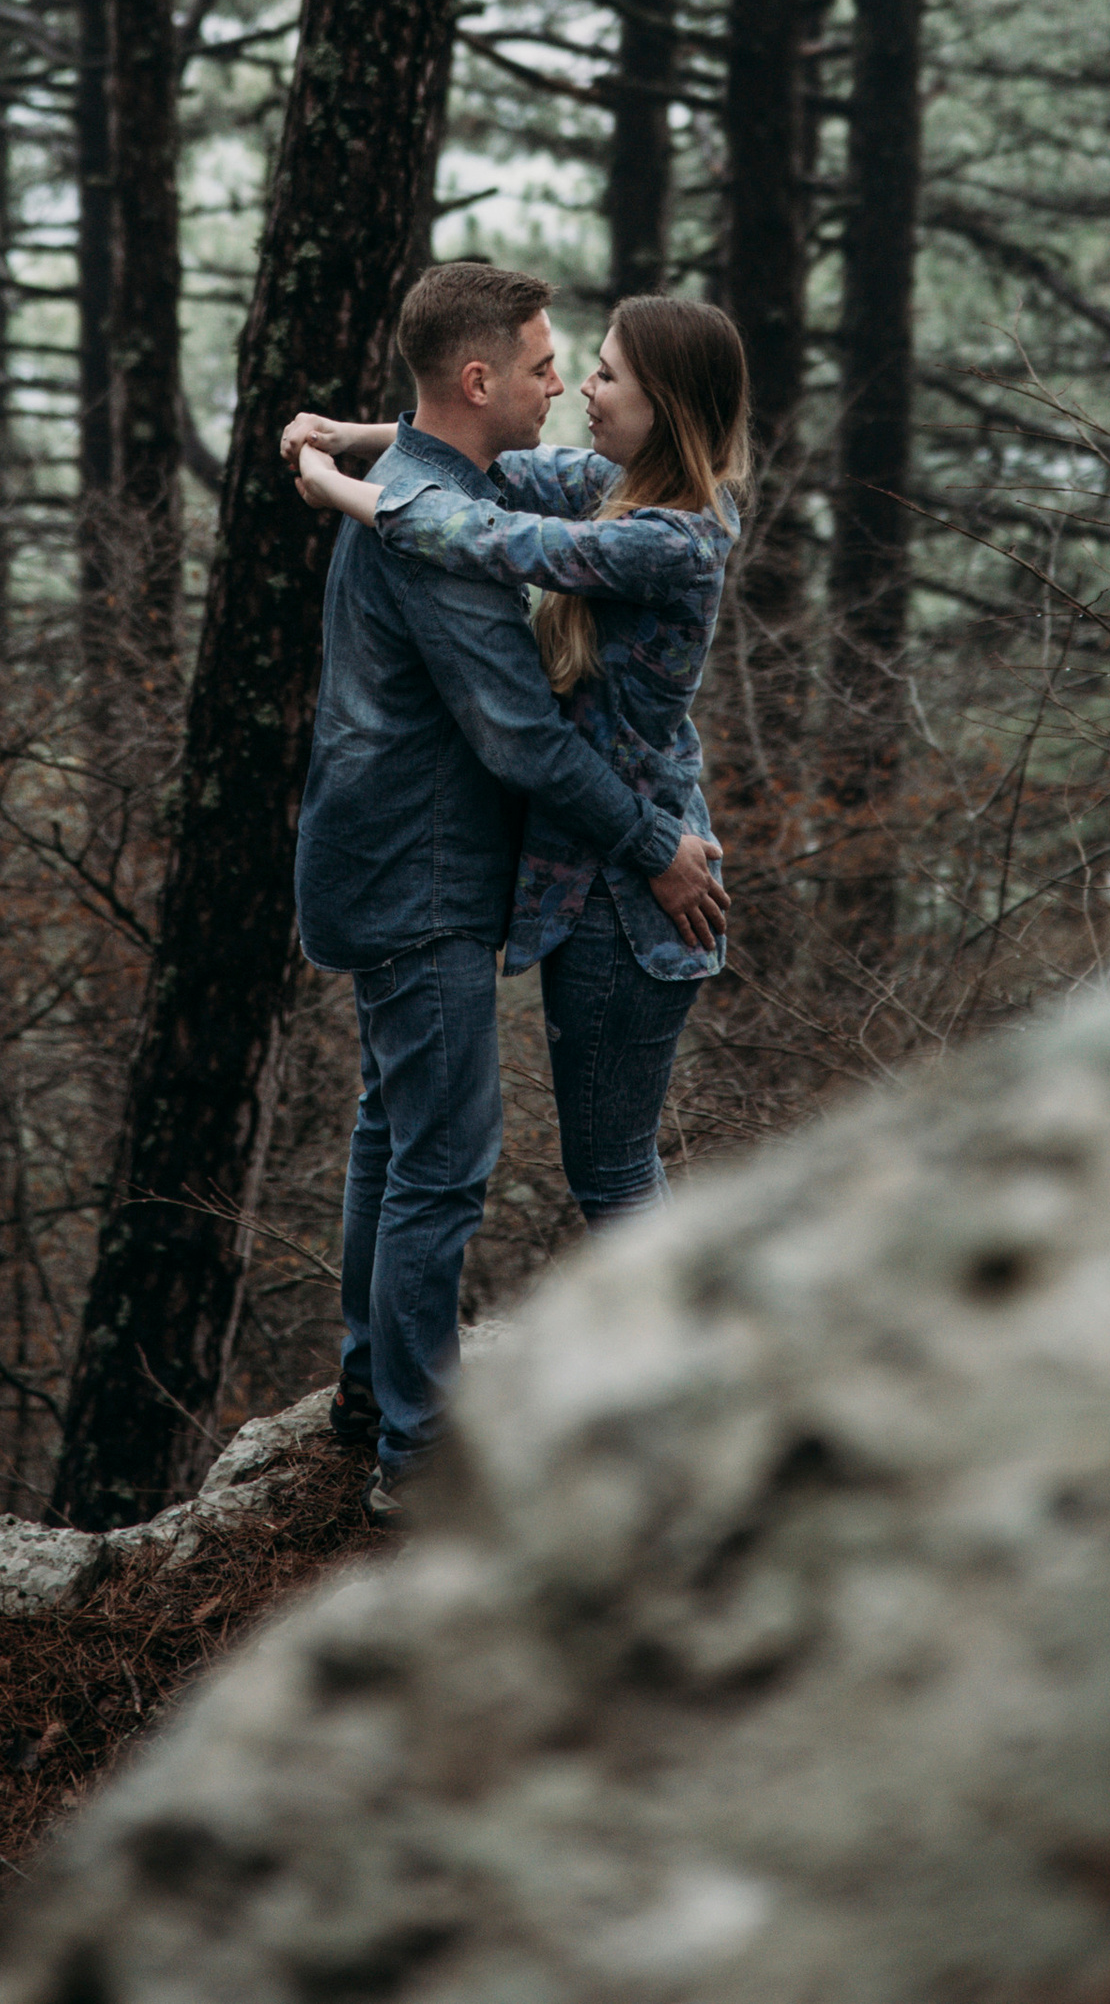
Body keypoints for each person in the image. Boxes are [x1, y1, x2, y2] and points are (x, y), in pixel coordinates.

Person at [285, 264, 728, 1523]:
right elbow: (524, 740)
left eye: (592, 371)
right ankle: (415, 1456)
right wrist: (652, 842)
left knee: (393, 1130)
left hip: (382, 862)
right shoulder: (436, 524)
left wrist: (343, 461)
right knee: (438, 1164)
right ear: (478, 380)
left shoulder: (461, 497)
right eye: (548, 366)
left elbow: (507, 522)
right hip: (421, 877)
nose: (565, 384)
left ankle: (373, 1391)